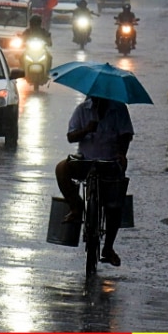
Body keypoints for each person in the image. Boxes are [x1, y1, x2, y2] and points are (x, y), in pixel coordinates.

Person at [55, 96, 134, 267]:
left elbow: (126, 134)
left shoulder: (119, 109)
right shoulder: (82, 109)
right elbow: (71, 136)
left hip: (110, 162)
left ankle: (108, 247)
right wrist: (86, 130)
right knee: (61, 168)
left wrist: (122, 154)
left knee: (115, 205)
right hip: (86, 161)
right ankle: (76, 207)